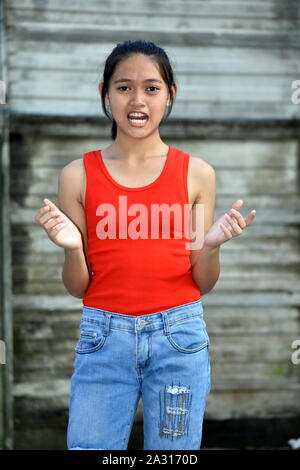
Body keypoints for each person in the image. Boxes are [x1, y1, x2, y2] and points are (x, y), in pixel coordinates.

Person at [34, 40, 256, 450]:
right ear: (104, 93)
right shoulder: (76, 176)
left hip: (179, 338)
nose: (138, 100)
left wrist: (211, 247)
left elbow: (202, 282)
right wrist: (71, 248)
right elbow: (79, 287)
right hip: (103, 337)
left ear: (172, 94)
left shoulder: (197, 174)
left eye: (152, 88)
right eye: (124, 87)